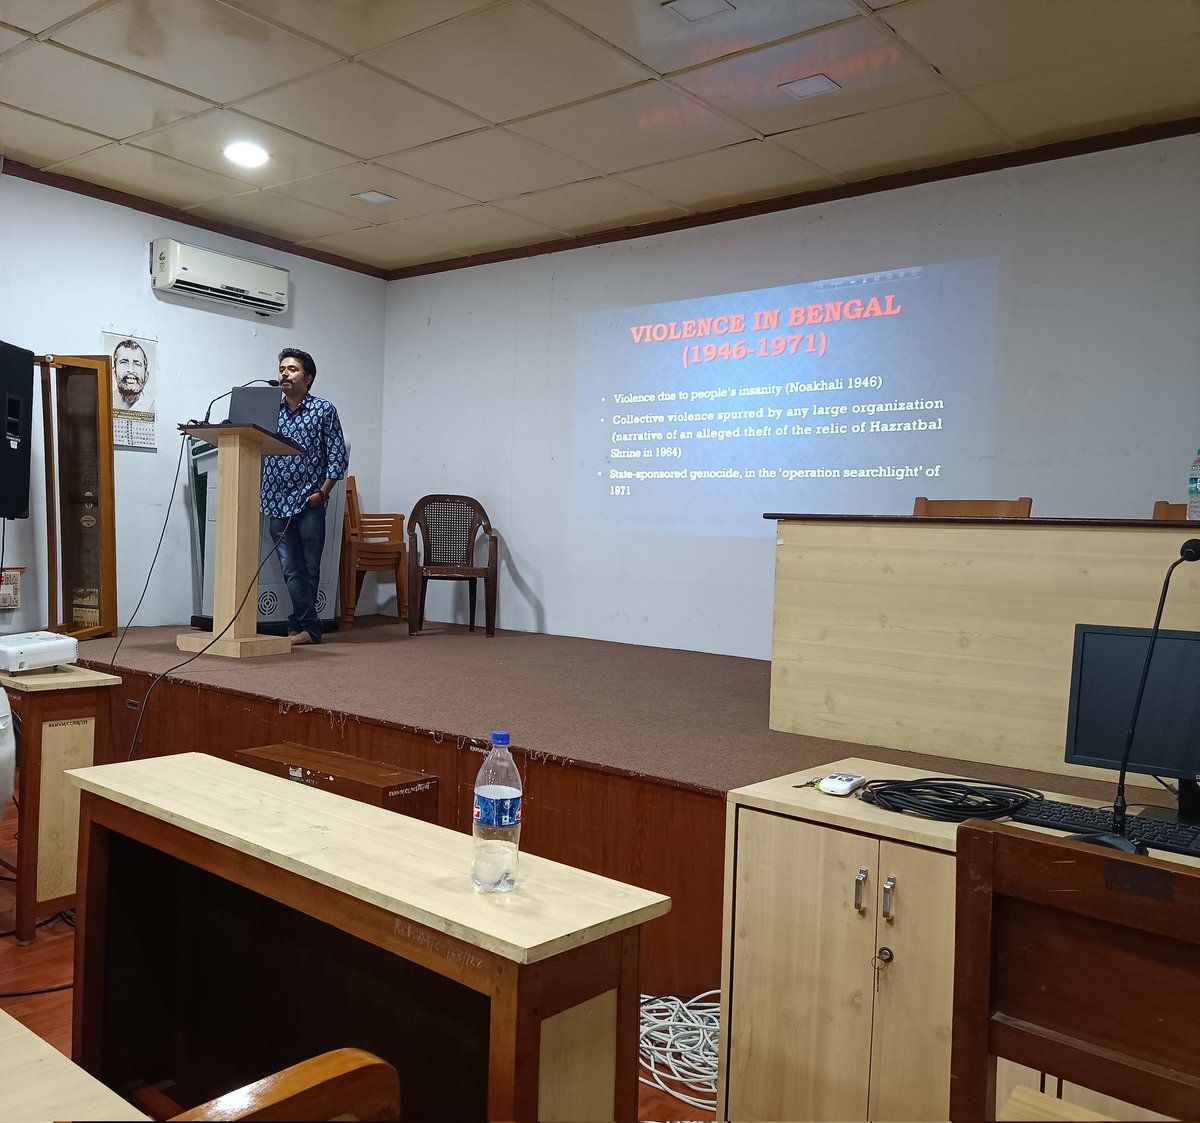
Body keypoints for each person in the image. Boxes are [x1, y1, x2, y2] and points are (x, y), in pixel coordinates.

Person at [260, 348, 348, 646]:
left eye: (292, 369)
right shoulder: (269, 410)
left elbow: (337, 456)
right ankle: (308, 627)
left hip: (309, 501)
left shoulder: (324, 410)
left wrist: (322, 494)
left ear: (307, 378)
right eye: (282, 368)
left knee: (309, 568)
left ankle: (302, 626)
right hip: (274, 499)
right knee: (289, 567)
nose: (285, 373)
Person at [112, 338, 149, 407]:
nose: (131, 370)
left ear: (146, 376)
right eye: (124, 362)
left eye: (137, 364)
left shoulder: (153, 406)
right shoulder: (104, 401)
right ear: (114, 372)